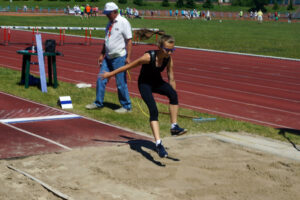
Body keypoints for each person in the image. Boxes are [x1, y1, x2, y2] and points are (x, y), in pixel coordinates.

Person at [100, 35, 188, 158]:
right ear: (159, 47)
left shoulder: (168, 59)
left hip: (157, 82)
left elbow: (171, 77)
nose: (169, 52)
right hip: (145, 84)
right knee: (154, 110)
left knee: (173, 94)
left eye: (172, 50)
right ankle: (158, 144)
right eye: (167, 49)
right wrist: (110, 73)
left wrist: (173, 96)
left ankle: (174, 127)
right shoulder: (148, 57)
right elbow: (127, 67)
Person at [86, 2, 132, 113]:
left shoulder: (123, 22)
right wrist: (102, 54)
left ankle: (126, 106)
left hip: (119, 57)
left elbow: (129, 40)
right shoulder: (109, 23)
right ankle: (98, 103)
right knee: (100, 79)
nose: (106, 15)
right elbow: (106, 40)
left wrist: (128, 57)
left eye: (108, 13)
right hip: (108, 57)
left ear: (115, 12)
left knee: (121, 83)